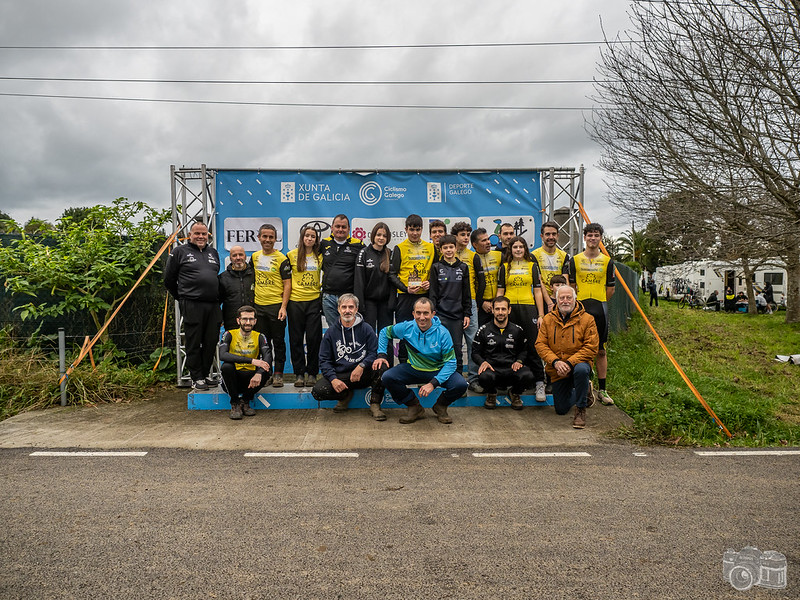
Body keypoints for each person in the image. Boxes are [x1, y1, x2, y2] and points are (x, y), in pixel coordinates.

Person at [375, 297, 468, 424]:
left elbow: (451, 363)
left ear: (433, 314)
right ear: (413, 314)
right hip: (414, 368)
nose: (422, 317)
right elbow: (384, 332)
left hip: (437, 370)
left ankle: (440, 406)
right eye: (418, 313)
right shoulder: (406, 327)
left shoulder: (443, 333)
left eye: (426, 313)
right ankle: (414, 406)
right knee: (387, 377)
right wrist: (381, 354)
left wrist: (433, 383)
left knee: (461, 385)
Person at [163, 220, 222, 390]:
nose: (201, 236)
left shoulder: (213, 252)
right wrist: (182, 298)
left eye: (204, 233)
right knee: (194, 341)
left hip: (212, 305)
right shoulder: (179, 251)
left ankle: (205, 375)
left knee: (211, 341)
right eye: (197, 233)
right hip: (191, 304)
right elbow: (169, 280)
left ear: (208, 235)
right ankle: (196, 377)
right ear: (190, 235)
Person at [312, 294, 387, 420]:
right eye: (344, 307)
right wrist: (333, 379)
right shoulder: (331, 332)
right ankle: (345, 396)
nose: (347, 311)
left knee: (382, 366)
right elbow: (324, 360)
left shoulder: (366, 329)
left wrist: (362, 365)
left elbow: (374, 353)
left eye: (351, 307)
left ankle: (375, 404)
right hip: (342, 375)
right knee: (318, 391)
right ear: (338, 309)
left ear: (356, 309)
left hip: (363, 373)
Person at [535, 286, 599, 429]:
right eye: (561, 298)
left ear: (575, 299)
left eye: (568, 297)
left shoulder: (588, 319)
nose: (565, 301)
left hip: (578, 364)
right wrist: (556, 362)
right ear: (556, 301)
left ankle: (580, 410)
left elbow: (591, 347)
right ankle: (584, 390)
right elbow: (540, 344)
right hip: (558, 369)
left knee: (581, 370)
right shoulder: (547, 319)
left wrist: (570, 363)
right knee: (561, 409)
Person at [496, 236, 547, 402]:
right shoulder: (504, 267)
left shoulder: (532, 266)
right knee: (510, 346)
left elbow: (538, 292)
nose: (518, 250)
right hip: (510, 308)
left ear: (525, 249)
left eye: (521, 247)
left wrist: (540, 315)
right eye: (515, 247)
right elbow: (500, 292)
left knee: (533, 345)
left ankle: (540, 382)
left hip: (528, 307)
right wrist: (497, 311)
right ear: (510, 250)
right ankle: (510, 382)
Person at [569, 223, 615, 405]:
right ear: (585, 237)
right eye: (590, 235)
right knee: (576, 347)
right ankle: (580, 386)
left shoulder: (607, 261)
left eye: (596, 235)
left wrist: (600, 302)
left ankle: (602, 390)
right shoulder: (575, 260)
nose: (593, 238)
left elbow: (610, 289)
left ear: (600, 238)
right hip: (580, 308)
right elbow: (572, 286)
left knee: (601, 350)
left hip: (600, 308)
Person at [472, 296, 535, 410]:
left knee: (528, 376)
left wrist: (519, 361)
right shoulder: (483, 330)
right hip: (492, 370)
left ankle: (515, 393)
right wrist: (483, 362)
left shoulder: (517, 330)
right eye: (497, 309)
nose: (500, 312)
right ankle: (491, 393)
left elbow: (524, 350)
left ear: (509, 310)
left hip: (511, 369)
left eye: (503, 309)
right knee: (483, 377)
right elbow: (475, 352)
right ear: (492, 310)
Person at [389, 214, 436, 363]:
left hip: (425, 298)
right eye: (411, 229)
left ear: (422, 229)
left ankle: (424, 363)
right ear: (406, 229)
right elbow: (391, 274)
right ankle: (404, 363)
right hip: (405, 297)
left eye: (417, 229)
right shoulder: (399, 248)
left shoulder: (431, 247)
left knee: (426, 332)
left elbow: (436, 272)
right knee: (406, 332)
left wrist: (430, 282)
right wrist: (405, 288)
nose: (414, 233)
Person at [251, 223, 292, 387]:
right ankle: (265, 373)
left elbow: (287, 284)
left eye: (271, 237)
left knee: (279, 342)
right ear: (259, 237)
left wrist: (283, 307)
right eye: (265, 236)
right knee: (263, 344)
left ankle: (278, 374)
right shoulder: (254, 257)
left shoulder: (282, 258)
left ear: (276, 239)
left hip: (276, 307)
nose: (268, 240)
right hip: (258, 307)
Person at [219, 306, 272, 420]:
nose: (248, 322)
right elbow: (222, 355)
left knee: (266, 370)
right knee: (226, 367)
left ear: (255, 321)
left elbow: (268, 357)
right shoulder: (229, 334)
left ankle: (245, 401)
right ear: (238, 320)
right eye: (244, 319)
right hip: (233, 380)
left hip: (251, 380)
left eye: (251, 319)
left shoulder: (260, 336)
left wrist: (259, 373)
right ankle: (235, 403)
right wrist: (251, 360)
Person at [428, 234, 471, 377]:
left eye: (451, 247)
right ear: (440, 250)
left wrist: (467, 314)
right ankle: (440, 378)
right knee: (439, 348)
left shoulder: (463, 268)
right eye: (445, 247)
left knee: (457, 348)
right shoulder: (436, 267)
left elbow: (466, 294)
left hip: (457, 316)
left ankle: (457, 378)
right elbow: (433, 293)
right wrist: (433, 314)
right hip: (440, 315)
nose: (448, 250)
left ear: (456, 248)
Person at [354, 222, 395, 365]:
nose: (381, 238)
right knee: (368, 337)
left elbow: (393, 280)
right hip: (368, 303)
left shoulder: (390, 253)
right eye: (378, 235)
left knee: (387, 337)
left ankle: (387, 370)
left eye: (384, 235)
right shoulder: (363, 253)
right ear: (373, 236)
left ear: (388, 238)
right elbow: (359, 281)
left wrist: (392, 302)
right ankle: (367, 369)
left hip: (385, 304)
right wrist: (360, 304)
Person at [286, 226, 323, 388]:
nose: (309, 238)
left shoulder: (319, 256)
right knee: (296, 339)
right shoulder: (291, 255)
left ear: (316, 240)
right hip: (295, 302)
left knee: (314, 339)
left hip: (314, 301)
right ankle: (299, 374)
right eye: (307, 235)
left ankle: (313, 373)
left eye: (313, 236)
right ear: (302, 237)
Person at [319, 214, 365, 327]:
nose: (340, 229)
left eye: (344, 227)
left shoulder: (358, 244)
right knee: (333, 329)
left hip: (348, 297)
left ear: (349, 229)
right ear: (332, 228)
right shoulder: (323, 244)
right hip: (328, 297)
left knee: (349, 328)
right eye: (337, 226)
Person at [451, 221, 479, 383]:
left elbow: (479, 282)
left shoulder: (473, 256)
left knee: (473, 341)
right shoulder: (446, 253)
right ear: (455, 237)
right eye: (463, 235)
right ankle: (456, 377)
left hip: (471, 303)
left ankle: (474, 378)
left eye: (468, 235)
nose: (466, 238)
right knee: (454, 343)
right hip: (451, 304)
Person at [531, 220, 571, 314]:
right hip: (542, 300)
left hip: (560, 299)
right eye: (547, 234)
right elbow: (539, 281)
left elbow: (565, 279)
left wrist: (567, 297)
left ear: (558, 235)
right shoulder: (534, 255)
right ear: (542, 236)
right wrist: (549, 303)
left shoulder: (564, 255)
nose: (551, 237)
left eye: (554, 234)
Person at [471, 227, 503, 329]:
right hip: (481, 305)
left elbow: (504, 281)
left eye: (488, 239)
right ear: (475, 245)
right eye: (484, 240)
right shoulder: (471, 258)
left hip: (498, 303)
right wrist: (481, 303)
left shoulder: (499, 255)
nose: (488, 242)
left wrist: (497, 301)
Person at [218, 245, 255, 332]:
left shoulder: (254, 275)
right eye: (234, 255)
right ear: (230, 258)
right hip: (231, 322)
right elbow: (217, 302)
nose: (238, 258)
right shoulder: (223, 278)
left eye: (241, 255)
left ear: (245, 257)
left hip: (253, 321)